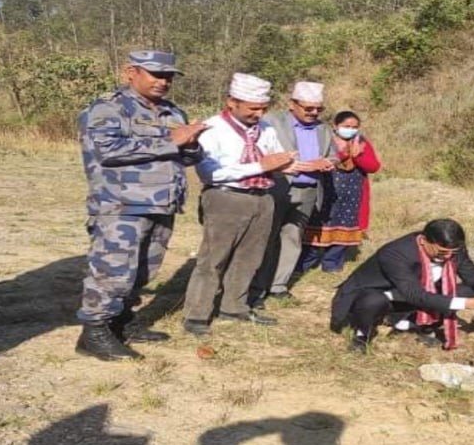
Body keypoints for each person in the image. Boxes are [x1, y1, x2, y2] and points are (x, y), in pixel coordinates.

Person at [76, 50, 208, 361]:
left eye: (169, 76)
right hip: (121, 204)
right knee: (112, 271)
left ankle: (121, 322)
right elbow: (106, 150)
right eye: (156, 75)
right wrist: (172, 141)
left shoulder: (172, 112)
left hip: (162, 203)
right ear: (130, 72)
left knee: (144, 270)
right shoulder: (107, 108)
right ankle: (94, 331)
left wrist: (192, 146)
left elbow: (184, 155)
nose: (164, 82)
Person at [181, 73, 298, 335]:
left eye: (263, 109)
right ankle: (196, 315)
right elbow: (210, 172)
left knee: (250, 257)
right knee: (214, 258)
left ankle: (234, 307)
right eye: (253, 108)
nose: (259, 114)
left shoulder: (265, 128)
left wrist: (291, 165)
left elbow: (274, 159)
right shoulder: (211, 128)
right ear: (232, 102)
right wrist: (260, 165)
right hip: (225, 198)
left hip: (263, 197)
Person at [330, 218, 474, 353]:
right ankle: (361, 335)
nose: (448, 257)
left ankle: (412, 324)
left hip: (408, 294)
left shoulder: (453, 250)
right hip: (373, 294)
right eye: (442, 251)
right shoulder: (396, 253)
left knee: (465, 290)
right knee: (372, 300)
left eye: (452, 252)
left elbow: (473, 277)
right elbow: (415, 295)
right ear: (423, 240)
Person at [249, 81, 336, 306]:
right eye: (308, 108)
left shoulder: (323, 129)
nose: (314, 113)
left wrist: (327, 162)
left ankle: (278, 285)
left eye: (318, 109)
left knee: (292, 237)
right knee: (267, 237)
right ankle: (256, 287)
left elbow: (334, 155)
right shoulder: (271, 123)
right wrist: (293, 164)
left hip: (307, 191)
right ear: (292, 105)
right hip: (277, 188)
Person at [298, 110, 381, 274]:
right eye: (346, 126)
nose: (350, 129)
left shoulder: (361, 143)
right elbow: (320, 160)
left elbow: (373, 167)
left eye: (354, 127)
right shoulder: (325, 139)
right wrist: (343, 153)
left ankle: (332, 264)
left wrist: (358, 155)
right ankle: (305, 264)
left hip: (353, 194)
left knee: (346, 224)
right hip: (327, 189)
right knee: (318, 224)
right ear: (335, 126)